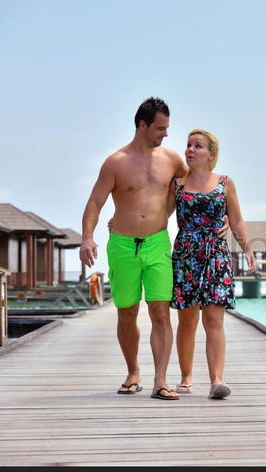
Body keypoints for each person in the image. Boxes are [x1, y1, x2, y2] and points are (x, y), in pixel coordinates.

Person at [80, 97, 225, 401]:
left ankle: (161, 381)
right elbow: (95, 201)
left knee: (160, 311)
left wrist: (221, 216)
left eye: (168, 128)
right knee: (127, 312)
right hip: (122, 245)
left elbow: (202, 183)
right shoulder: (116, 162)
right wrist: (87, 237)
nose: (166, 134)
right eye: (161, 128)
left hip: (158, 243)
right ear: (143, 125)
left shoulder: (172, 160)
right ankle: (133, 371)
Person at [169, 129, 255, 398]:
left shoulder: (224, 183)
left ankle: (217, 380)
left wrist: (248, 250)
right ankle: (185, 377)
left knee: (214, 319)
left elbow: (237, 218)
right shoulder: (177, 184)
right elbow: (156, 213)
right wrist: (123, 222)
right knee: (187, 320)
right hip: (186, 255)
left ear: (211, 154)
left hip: (216, 254)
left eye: (198, 146)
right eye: (188, 145)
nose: (190, 150)